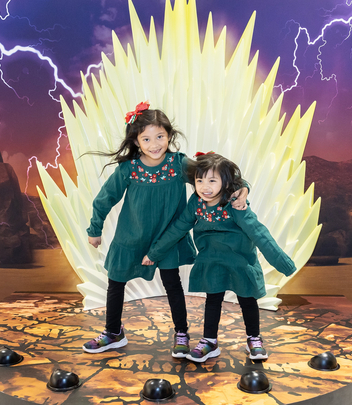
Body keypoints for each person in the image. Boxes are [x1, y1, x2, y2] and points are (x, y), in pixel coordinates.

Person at [83, 102, 248, 358]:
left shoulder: (178, 164)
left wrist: (242, 187)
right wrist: (95, 229)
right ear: (136, 142)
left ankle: (181, 333)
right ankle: (113, 332)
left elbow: (216, 174)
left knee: (172, 284)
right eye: (146, 139)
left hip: (168, 240)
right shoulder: (129, 169)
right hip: (131, 238)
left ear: (169, 136)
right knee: (116, 282)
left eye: (160, 136)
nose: (154, 144)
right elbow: (105, 199)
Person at [142, 152, 296, 363]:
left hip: (239, 260)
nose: (205, 187)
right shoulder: (196, 203)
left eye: (212, 181)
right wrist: (154, 252)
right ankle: (209, 341)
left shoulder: (235, 204)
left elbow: (258, 233)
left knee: (247, 299)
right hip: (211, 259)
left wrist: (283, 263)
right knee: (213, 300)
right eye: (199, 180)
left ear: (226, 182)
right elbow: (178, 228)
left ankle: (254, 338)